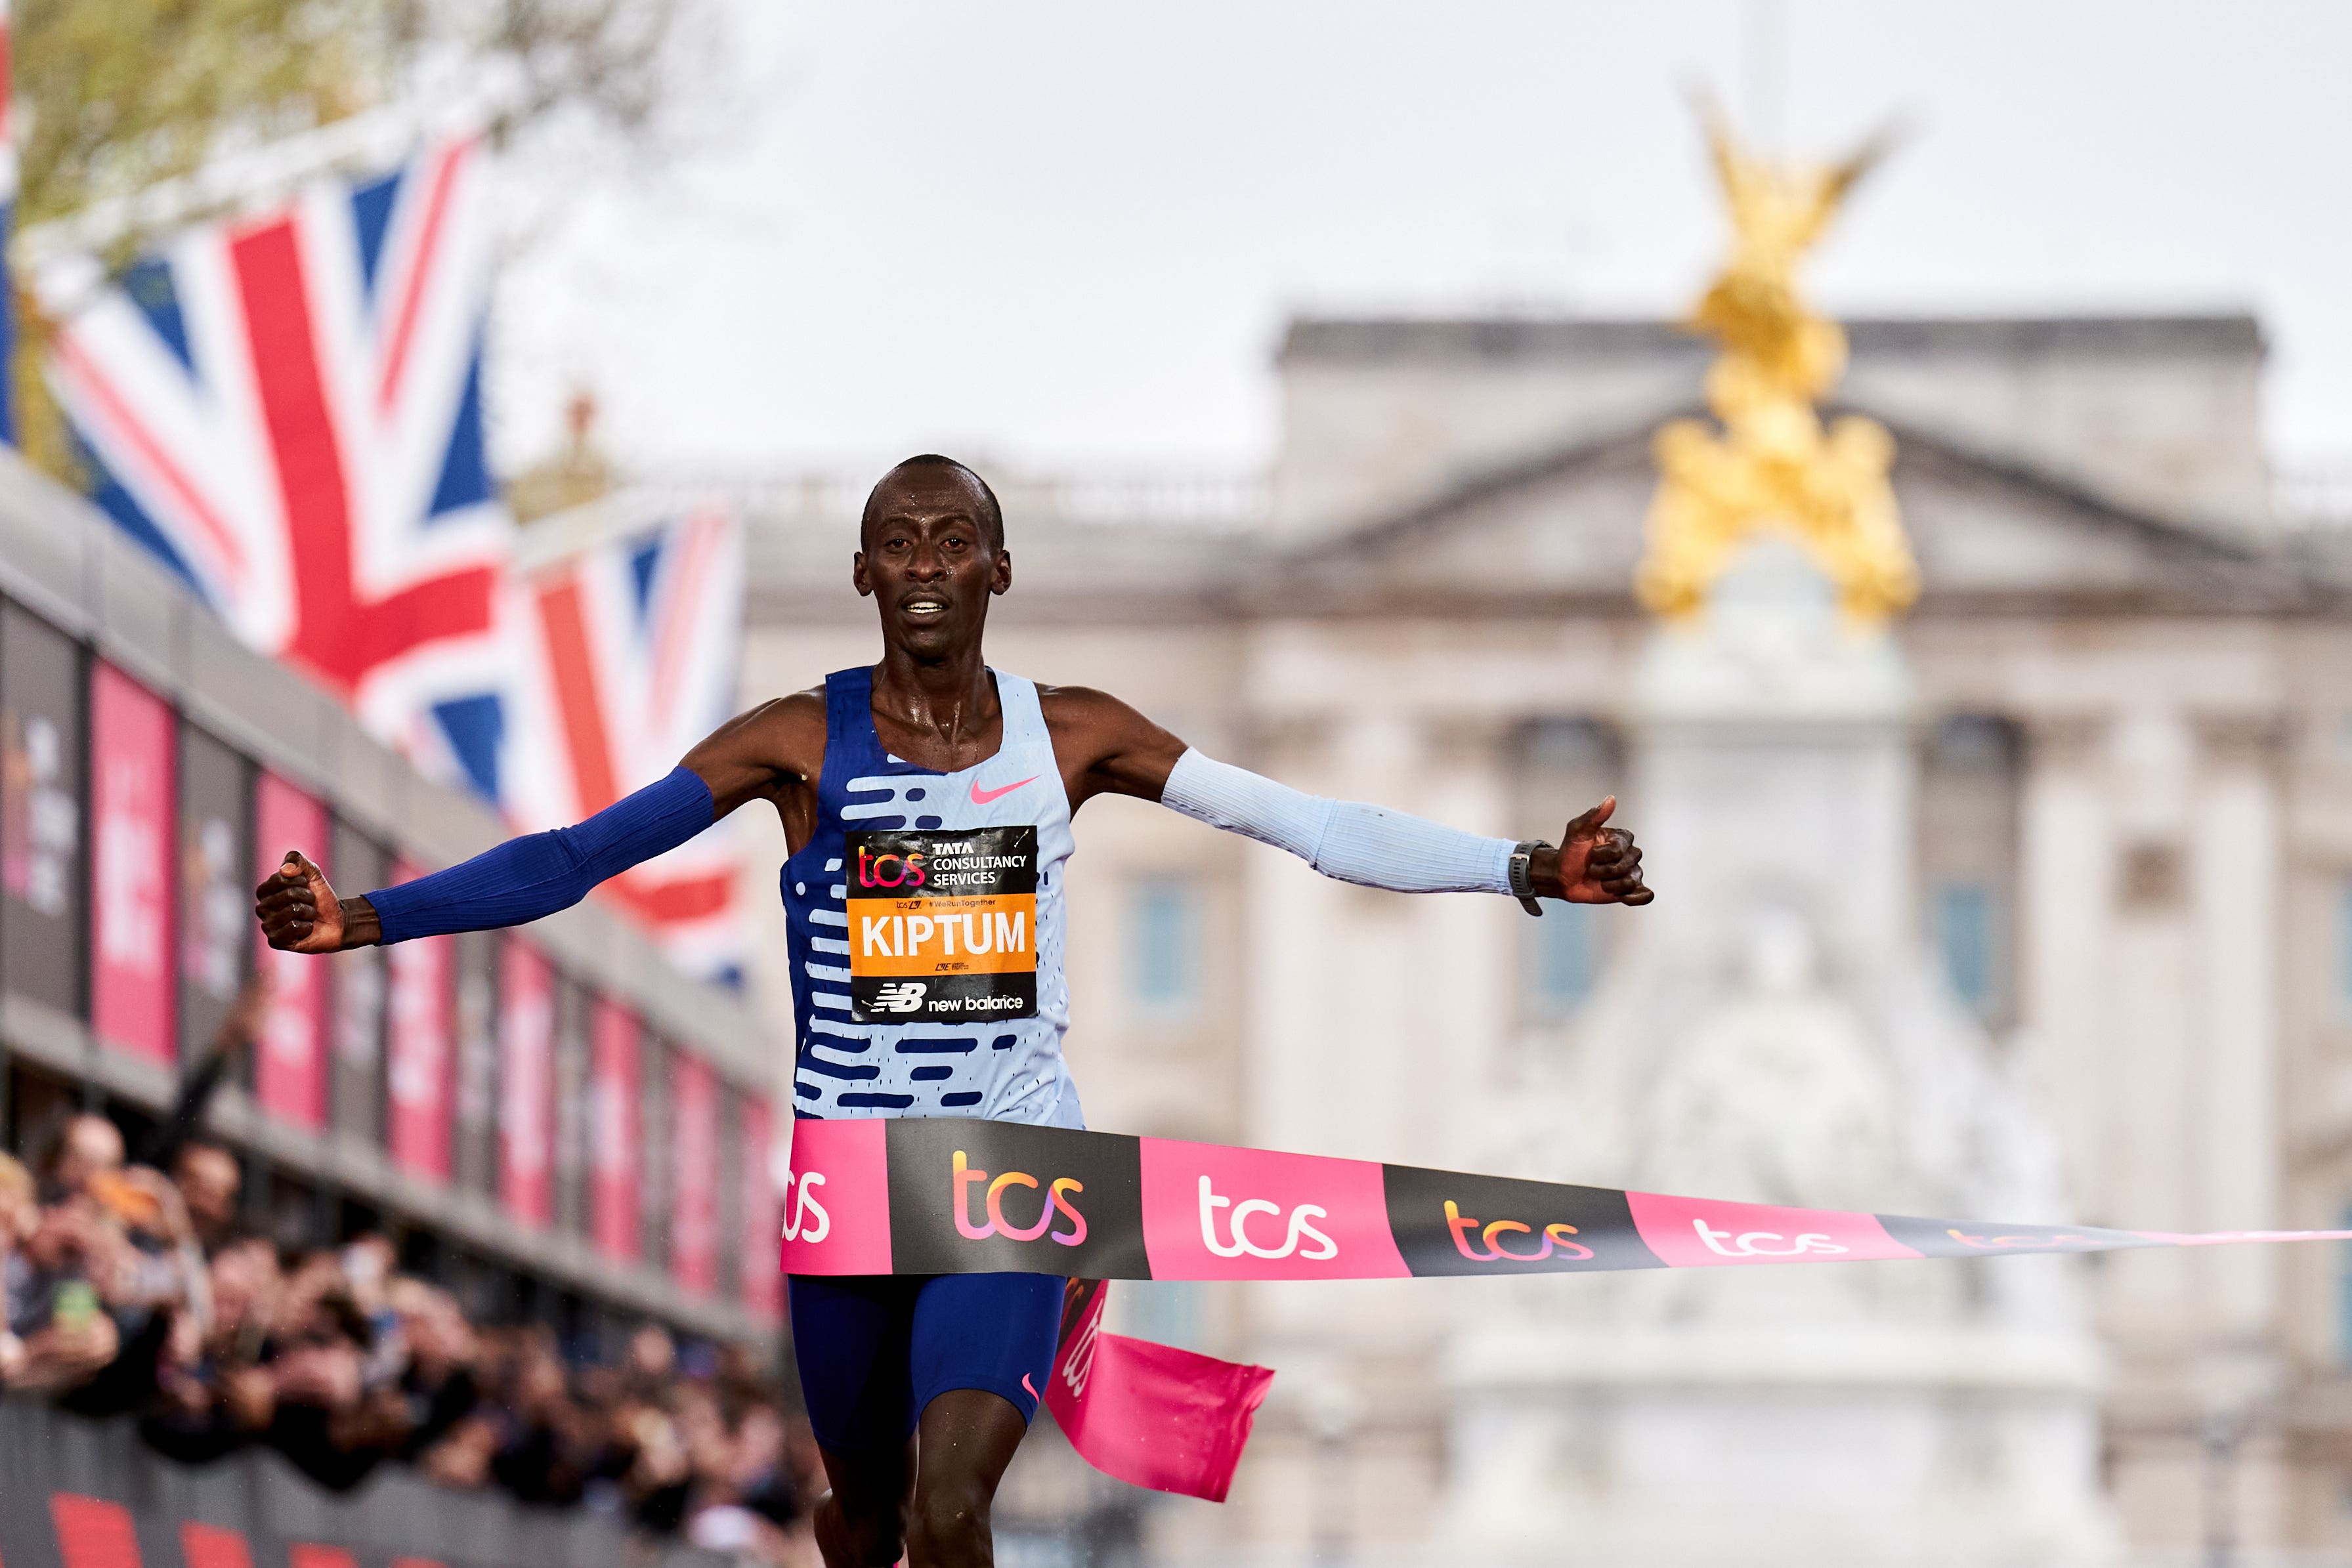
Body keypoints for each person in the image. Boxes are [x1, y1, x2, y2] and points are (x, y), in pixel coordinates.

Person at [255, 454, 1654, 1568]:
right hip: (854, 1176)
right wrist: (368, 916)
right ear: (863, 573)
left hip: (1013, 1166)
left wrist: (1518, 864)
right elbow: (579, 856)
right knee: (863, 1521)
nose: (926, 568)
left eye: (952, 542)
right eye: (899, 545)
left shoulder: (1081, 730)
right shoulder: (795, 739)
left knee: (948, 1513)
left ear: (998, 568)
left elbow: (1307, 820)